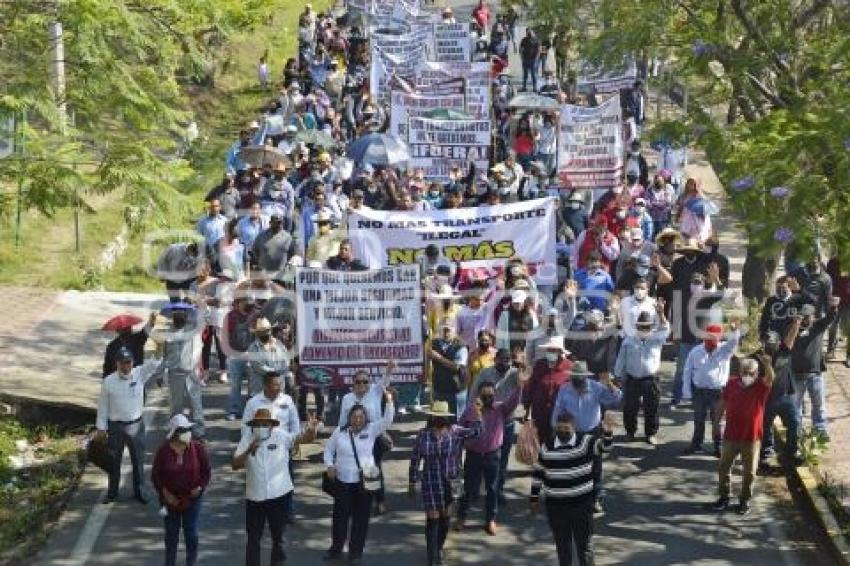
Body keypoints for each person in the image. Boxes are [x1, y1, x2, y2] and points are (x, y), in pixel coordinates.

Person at [233, 408, 318, 566]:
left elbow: (302, 439)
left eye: (265, 424)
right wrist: (248, 451)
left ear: (272, 426)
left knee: (279, 539)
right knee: (253, 540)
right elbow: (235, 464)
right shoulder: (247, 438)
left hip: (279, 496)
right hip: (255, 498)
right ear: (253, 426)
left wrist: (311, 431)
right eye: (258, 425)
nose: (261, 428)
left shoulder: (281, 436)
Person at [530, 411, 614, 566]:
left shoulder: (587, 442)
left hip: (582, 506)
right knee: (563, 547)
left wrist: (608, 432)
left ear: (574, 427)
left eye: (566, 430)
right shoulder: (547, 448)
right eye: (560, 430)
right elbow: (538, 474)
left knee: (585, 546)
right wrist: (534, 498)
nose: (563, 433)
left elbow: (605, 448)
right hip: (556, 508)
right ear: (555, 428)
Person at [455, 367, 527, 535]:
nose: (488, 398)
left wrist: (520, 385)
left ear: (495, 395)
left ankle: (490, 519)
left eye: (491, 395)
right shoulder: (470, 411)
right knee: (469, 488)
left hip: (492, 456)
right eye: (485, 395)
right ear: (479, 396)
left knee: (492, 489)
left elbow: (514, 402)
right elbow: (458, 431)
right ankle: (461, 517)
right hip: (473, 456)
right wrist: (457, 455)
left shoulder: (501, 408)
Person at [409, 401, 482, 566]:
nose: (440, 419)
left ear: (447, 417)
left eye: (443, 416)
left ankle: (439, 548)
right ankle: (432, 557)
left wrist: (478, 416)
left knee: (445, 518)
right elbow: (415, 459)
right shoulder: (423, 434)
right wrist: (412, 481)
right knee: (433, 518)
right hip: (430, 481)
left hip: (451, 481)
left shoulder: (455, 431)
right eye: (437, 416)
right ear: (432, 416)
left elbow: (477, 433)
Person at [323, 399, 396, 564]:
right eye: (354, 416)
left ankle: (355, 553)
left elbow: (387, 421)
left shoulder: (371, 429)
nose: (357, 420)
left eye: (361, 416)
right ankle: (336, 549)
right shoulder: (339, 432)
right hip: (342, 481)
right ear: (349, 418)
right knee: (339, 518)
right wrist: (329, 465)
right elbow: (328, 450)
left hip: (365, 482)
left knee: (361, 519)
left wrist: (389, 402)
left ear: (365, 418)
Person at [95, 347, 160, 504]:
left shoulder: (139, 374)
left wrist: (159, 348)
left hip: (135, 426)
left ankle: (140, 492)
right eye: (122, 363)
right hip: (115, 427)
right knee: (113, 462)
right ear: (117, 364)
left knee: (137, 461)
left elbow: (155, 364)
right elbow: (103, 406)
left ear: (132, 363)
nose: (125, 367)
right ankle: (112, 493)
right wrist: (101, 428)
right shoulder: (108, 382)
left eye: (128, 363)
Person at [713, 356, 774, 515]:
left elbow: (770, 378)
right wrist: (716, 423)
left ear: (756, 374)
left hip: (751, 438)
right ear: (739, 372)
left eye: (751, 373)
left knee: (750, 472)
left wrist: (767, 364)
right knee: (723, 468)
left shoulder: (761, 387)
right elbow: (722, 403)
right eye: (744, 372)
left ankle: (744, 500)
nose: (747, 376)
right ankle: (724, 497)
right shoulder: (732, 383)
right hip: (731, 435)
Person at [151, 414, 211, 566]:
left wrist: (200, 487)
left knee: (191, 533)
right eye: (184, 430)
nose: (188, 432)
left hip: (192, 499)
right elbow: (155, 475)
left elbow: (206, 472)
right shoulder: (163, 451)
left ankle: (191, 563)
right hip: (169, 500)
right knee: (171, 535)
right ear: (175, 433)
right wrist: (164, 493)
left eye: (189, 429)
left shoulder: (198, 448)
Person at [339, 362, 396, 516]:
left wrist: (389, 369)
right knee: (356, 467)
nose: (362, 384)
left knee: (374, 468)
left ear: (369, 383)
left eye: (365, 381)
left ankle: (380, 500)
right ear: (353, 383)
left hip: (373, 436)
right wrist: (339, 440)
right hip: (354, 438)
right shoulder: (347, 398)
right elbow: (342, 421)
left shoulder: (375, 392)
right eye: (358, 381)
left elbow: (385, 380)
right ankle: (362, 501)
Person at [471, 347, 526, 504]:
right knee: (482, 456)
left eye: (507, 360)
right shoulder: (485, 373)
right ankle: (475, 489)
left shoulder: (516, 373)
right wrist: (473, 415)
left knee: (502, 460)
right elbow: (474, 393)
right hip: (487, 422)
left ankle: (497, 491)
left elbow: (528, 375)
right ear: (495, 360)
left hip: (507, 423)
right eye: (501, 360)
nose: (504, 363)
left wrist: (522, 365)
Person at [682, 322, 740, 456]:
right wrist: (686, 390)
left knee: (718, 421)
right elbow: (687, 371)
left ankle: (718, 446)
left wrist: (735, 330)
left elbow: (733, 342)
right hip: (699, 392)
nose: (710, 345)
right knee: (698, 419)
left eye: (713, 341)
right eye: (708, 340)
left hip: (718, 392)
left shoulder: (724, 350)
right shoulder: (695, 351)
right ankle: (696, 444)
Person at [615, 306, 669, 444]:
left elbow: (665, 328)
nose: (644, 330)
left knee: (652, 407)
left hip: (651, 379)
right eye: (641, 327)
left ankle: (650, 434)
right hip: (632, 378)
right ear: (637, 326)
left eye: (647, 327)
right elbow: (621, 359)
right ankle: (630, 432)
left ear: (651, 327)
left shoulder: (657, 338)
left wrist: (661, 313)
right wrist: (617, 376)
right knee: (630, 407)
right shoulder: (628, 340)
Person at [152, 305, 206, 439]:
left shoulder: (193, 330)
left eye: (181, 314)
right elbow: (164, 356)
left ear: (186, 316)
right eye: (176, 315)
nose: (179, 317)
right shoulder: (167, 335)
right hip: (174, 374)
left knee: (196, 404)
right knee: (176, 406)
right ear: (172, 317)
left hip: (192, 374)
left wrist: (200, 304)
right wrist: (159, 374)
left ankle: (198, 433)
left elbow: (205, 316)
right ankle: (175, 431)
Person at [791, 300, 838, 441]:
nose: (805, 319)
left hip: (815, 374)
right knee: (796, 405)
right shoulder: (793, 328)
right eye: (803, 316)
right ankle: (796, 431)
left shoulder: (818, 326)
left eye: (808, 316)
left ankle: (820, 429)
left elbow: (830, 317)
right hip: (796, 374)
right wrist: (796, 325)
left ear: (813, 316)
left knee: (819, 404)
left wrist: (834, 306)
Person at [760, 323, 803, 467]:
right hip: (768, 399)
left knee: (795, 423)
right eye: (767, 342)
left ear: (778, 343)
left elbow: (791, 338)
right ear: (763, 343)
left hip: (787, 397)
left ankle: (791, 453)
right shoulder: (758, 358)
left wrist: (796, 324)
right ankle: (767, 454)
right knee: (766, 426)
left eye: (773, 342)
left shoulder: (784, 351)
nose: (770, 344)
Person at [522, 337, 572, 445]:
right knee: (539, 442)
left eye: (553, 350)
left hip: (559, 413)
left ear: (560, 352)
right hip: (539, 412)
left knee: (556, 443)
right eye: (549, 350)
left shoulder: (569, 366)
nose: (550, 352)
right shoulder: (540, 365)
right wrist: (527, 408)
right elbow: (531, 386)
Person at [429, 321, 469, 418]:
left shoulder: (461, 346)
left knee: (456, 419)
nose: (446, 333)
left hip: (455, 391)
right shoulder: (433, 344)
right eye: (443, 330)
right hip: (439, 389)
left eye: (448, 330)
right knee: (439, 419)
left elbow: (457, 366)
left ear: (454, 331)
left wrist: (438, 358)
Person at [245, 317, 290, 397]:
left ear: (270, 331)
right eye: (262, 332)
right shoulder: (253, 348)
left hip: (278, 391)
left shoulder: (279, 344)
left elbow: (286, 361)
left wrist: (282, 370)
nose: (265, 334)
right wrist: (276, 372)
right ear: (257, 333)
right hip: (259, 391)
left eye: (266, 331)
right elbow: (259, 367)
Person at [102, 312, 156, 377]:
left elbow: (107, 368)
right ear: (131, 329)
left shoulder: (111, 346)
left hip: (119, 379)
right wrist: (152, 321)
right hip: (136, 377)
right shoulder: (138, 339)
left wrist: (106, 381)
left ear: (117, 331)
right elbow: (147, 329)